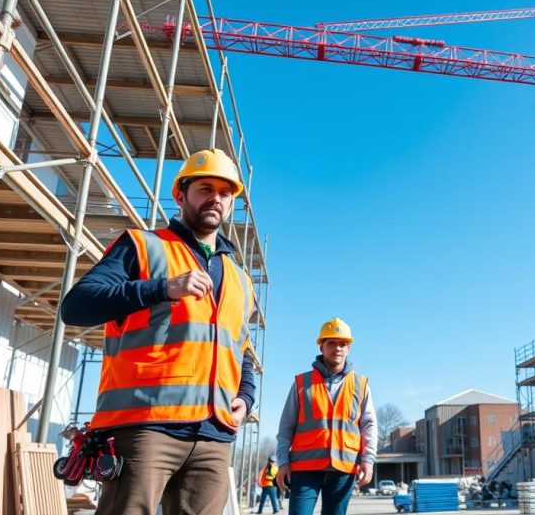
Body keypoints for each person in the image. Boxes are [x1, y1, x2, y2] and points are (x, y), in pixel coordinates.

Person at [61, 148, 257, 515]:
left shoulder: (240, 280)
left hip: (214, 434)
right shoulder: (141, 246)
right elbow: (76, 306)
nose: (216, 198)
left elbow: (240, 349)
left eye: (226, 192)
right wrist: (160, 288)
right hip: (145, 427)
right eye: (205, 188)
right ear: (181, 196)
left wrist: (246, 397)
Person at [274, 318, 377, 515]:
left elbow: (369, 426)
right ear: (321, 346)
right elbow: (286, 427)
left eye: (343, 344)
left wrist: (368, 460)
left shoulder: (361, 385)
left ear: (348, 349)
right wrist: (283, 463)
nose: (338, 348)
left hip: (343, 468)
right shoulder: (301, 383)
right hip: (305, 468)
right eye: (332, 343)